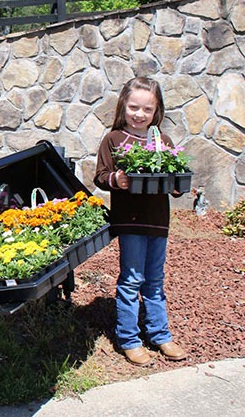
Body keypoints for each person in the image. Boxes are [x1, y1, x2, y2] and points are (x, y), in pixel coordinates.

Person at [94, 76, 188, 366]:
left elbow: (172, 178)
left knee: (155, 281)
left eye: (147, 110)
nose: (140, 114)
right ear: (124, 105)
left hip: (158, 221)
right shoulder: (114, 140)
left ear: (156, 110)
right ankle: (129, 339)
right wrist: (118, 179)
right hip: (131, 220)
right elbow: (100, 176)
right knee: (132, 279)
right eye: (134, 107)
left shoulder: (162, 141)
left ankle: (160, 335)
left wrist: (175, 184)